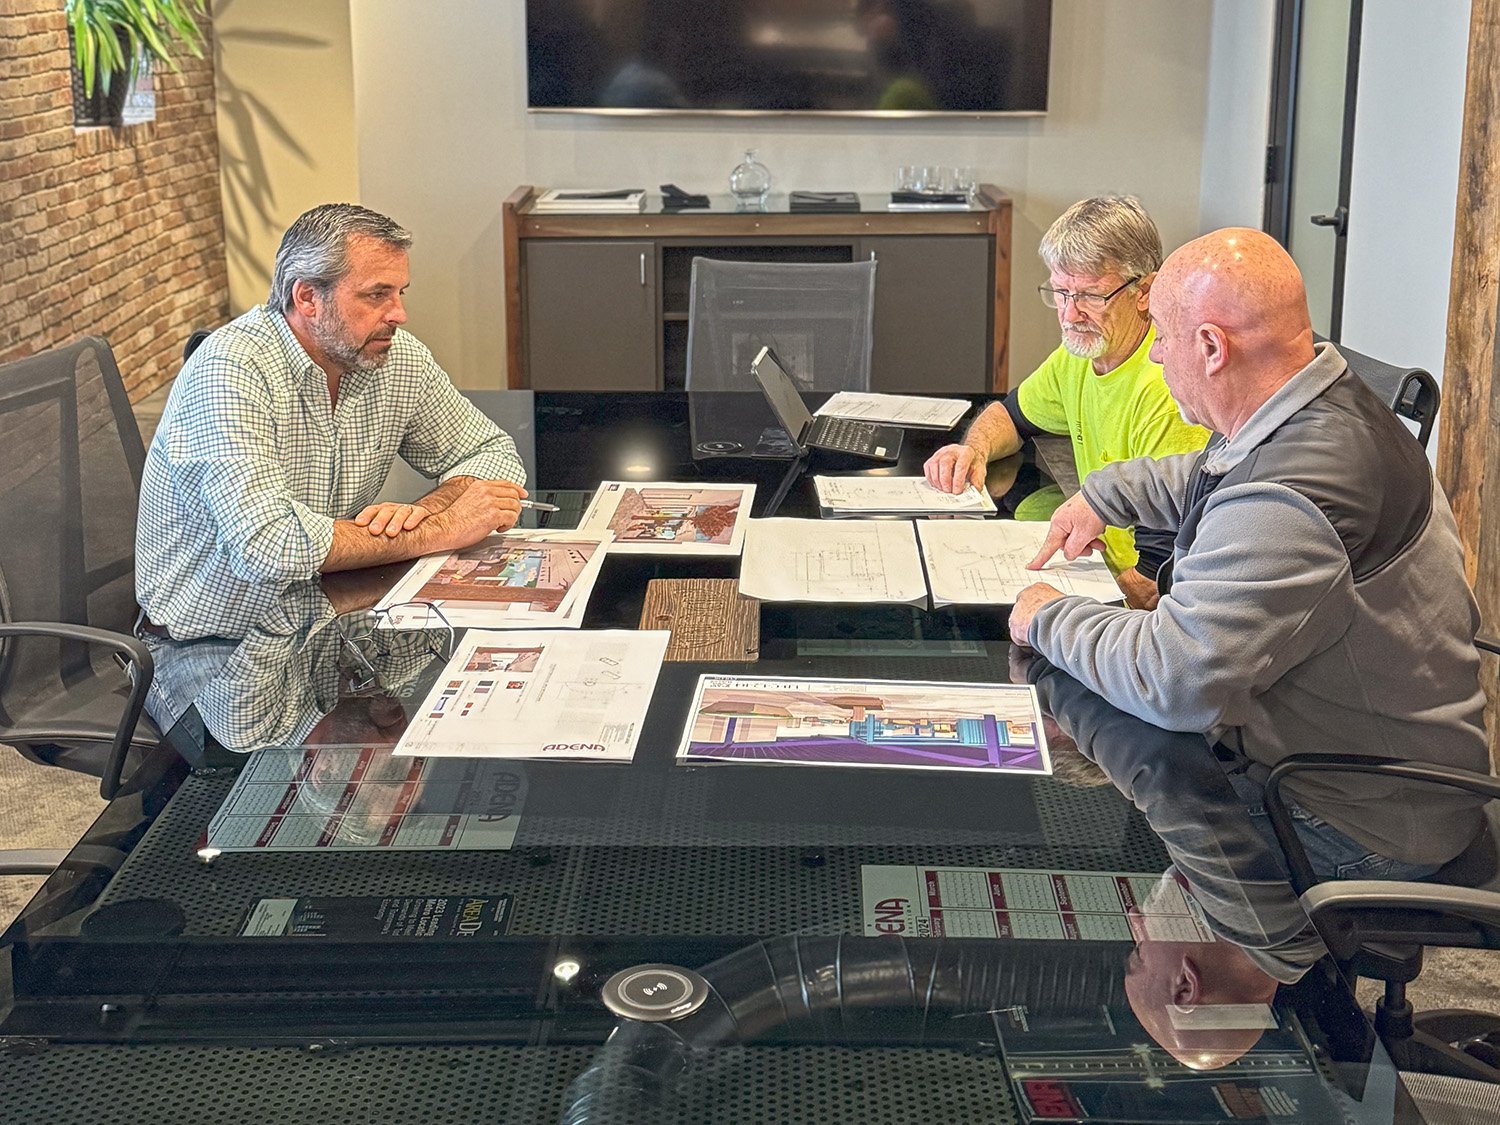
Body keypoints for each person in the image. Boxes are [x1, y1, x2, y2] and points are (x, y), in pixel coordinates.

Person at [1010, 227, 1490, 877]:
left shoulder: (1292, 499)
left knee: (1107, 833)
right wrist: (1107, 495)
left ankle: (1285, 976)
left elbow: (1175, 679)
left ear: (1211, 347)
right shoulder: (1318, 403)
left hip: (1356, 815)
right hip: (1365, 760)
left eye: (1163, 338)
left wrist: (1046, 614)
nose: (1154, 357)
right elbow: (1214, 473)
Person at [136, 203, 527, 746]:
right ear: (307, 297)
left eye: (400, 293)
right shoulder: (230, 370)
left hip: (325, 620)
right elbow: (267, 547)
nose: (399, 314)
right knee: (328, 784)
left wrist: (430, 511)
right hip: (212, 653)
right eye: (376, 295)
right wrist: (443, 530)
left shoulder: (394, 359)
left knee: (474, 716)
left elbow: (491, 454)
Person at [924, 196, 1208, 608]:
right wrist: (974, 449)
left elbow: (1158, 577)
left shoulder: (1166, 387)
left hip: (1138, 596)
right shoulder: (1083, 353)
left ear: (1144, 290)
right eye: (1060, 292)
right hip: (1094, 559)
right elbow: (1013, 414)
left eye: (1091, 295)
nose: (1070, 315)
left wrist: (1069, 611)